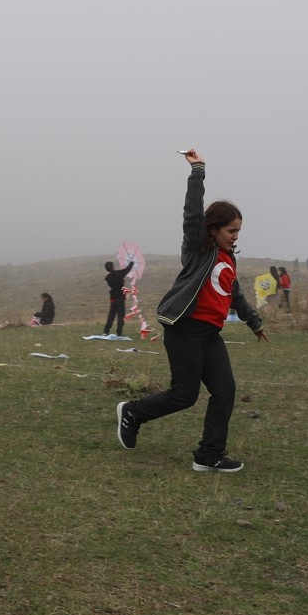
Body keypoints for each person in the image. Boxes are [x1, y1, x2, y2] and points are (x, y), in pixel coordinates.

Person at [116, 150, 269, 473]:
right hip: (185, 329)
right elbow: (191, 214)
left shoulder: (228, 259)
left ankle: (208, 455)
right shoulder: (198, 250)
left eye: (239, 231)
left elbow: (234, 294)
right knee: (184, 395)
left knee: (225, 390)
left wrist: (253, 322)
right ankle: (132, 411)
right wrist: (197, 170)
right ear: (213, 229)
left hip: (210, 334)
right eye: (231, 230)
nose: (236, 236)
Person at [103, 259, 135, 336]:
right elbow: (127, 270)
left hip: (113, 298)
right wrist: (131, 262)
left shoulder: (108, 278)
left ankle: (106, 331)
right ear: (113, 267)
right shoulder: (119, 274)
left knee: (111, 315)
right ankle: (119, 332)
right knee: (121, 316)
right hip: (120, 298)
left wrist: (121, 282)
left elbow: (114, 285)